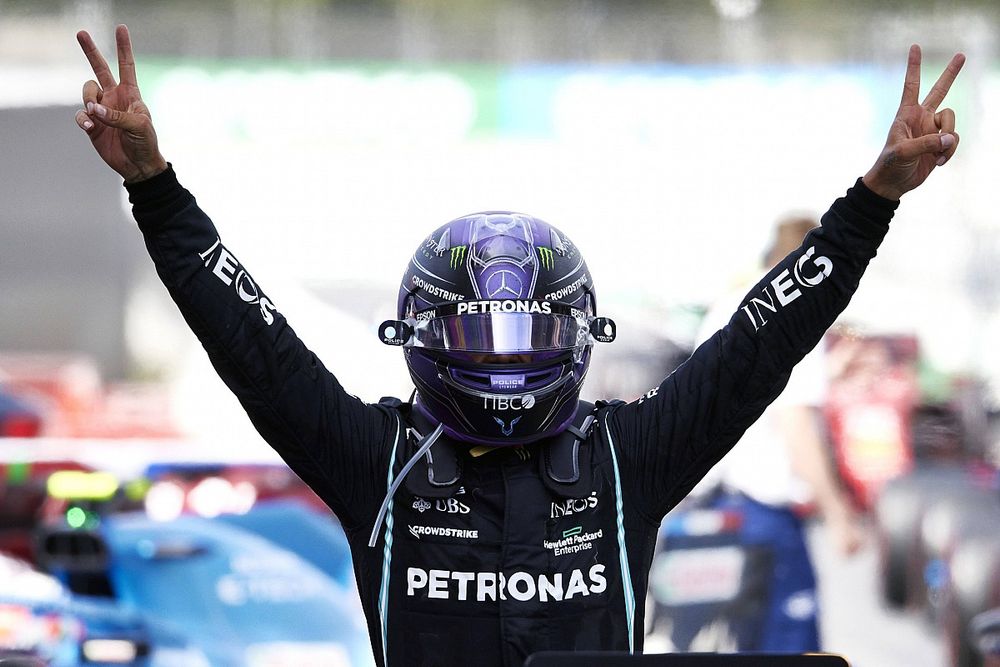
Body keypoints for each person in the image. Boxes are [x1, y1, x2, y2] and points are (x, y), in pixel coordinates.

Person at [73, 25, 964, 667]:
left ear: (579, 334)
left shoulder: (625, 460)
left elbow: (763, 340)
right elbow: (247, 336)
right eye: (475, 330)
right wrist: (153, 185)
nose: (503, 356)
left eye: (529, 331)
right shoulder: (375, 461)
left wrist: (873, 198)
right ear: (420, 335)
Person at [646, 217, 864, 653]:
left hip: (704, 508)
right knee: (793, 651)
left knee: (707, 645)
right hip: (767, 518)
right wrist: (839, 515)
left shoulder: (727, 307)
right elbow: (795, 423)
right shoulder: (803, 313)